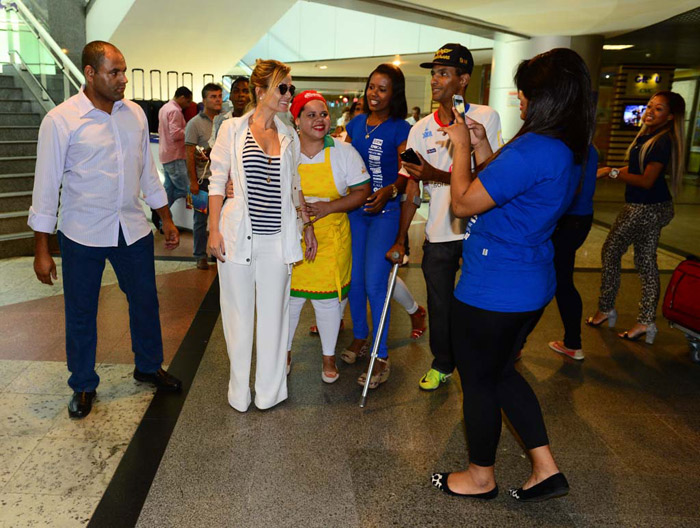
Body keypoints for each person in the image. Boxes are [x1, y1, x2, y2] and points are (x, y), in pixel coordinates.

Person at [431, 48, 595, 502]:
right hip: (528, 280)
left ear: (547, 98)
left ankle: (480, 477)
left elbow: (463, 203)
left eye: (525, 93)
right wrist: (483, 146)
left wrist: (461, 146)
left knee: (479, 380)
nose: (518, 99)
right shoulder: (566, 147)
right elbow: (502, 187)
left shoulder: (537, 147)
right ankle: (545, 468)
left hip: (495, 287)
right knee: (501, 371)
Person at [28, 41, 183, 419]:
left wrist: (164, 217)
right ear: (90, 72)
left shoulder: (134, 115)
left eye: (124, 71)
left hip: (131, 228)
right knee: (81, 311)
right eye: (114, 72)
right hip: (82, 233)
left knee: (145, 301)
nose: (123, 80)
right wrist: (42, 249)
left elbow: (147, 169)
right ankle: (82, 384)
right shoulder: (61, 121)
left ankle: (148, 366)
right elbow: (46, 187)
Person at [387, 43, 502, 391]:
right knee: (440, 304)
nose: (435, 80)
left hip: (480, 230)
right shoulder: (419, 128)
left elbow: (489, 175)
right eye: (433, 72)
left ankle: (492, 357)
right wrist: (401, 236)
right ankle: (442, 363)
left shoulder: (485, 117)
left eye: (443, 73)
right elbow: (411, 186)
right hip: (439, 231)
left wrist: (433, 174)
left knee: (483, 299)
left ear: (463, 79)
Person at [208, 59, 317, 412]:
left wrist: (307, 225)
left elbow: (294, 185)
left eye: (291, 89)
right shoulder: (232, 129)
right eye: (282, 88)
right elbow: (216, 179)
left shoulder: (288, 136)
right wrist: (212, 229)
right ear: (261, 91)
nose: (289, 95)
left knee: (275, 319)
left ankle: (270, 393)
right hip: (238, 235)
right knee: (238, 318)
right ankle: (239, 393)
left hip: (277, 240)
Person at [344, 63, 422, 388]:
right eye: (371, 87)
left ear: (394, 94)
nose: (374, 94)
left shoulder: (401, 129)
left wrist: (391, 189)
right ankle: (361, 337)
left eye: (382, 89)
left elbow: (414, 167)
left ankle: (381, 354)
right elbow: (341, 161)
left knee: (376, 284)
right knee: (356, 281)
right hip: (355, 213)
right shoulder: (355, 124)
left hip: (386, 213)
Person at [587, 91, 685, 343]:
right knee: (645, 261)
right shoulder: (649, 135)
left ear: (671, 116)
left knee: (611, 251)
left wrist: (612, 174)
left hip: (645, 207)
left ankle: (607, 309)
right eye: (649, 106)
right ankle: (645, 322)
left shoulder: (663, 141)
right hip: (651, 205)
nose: (650, 111)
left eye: (659, 109)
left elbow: (646, 180)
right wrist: (611, 170)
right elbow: (638, 167)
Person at [286, 90, 371, 383]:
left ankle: (328, 357)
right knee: (289, 302)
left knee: (328, 304)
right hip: (293, 237)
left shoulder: (342, 152)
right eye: (311, 115)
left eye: (323, 114)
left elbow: (362, 192)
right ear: (296, 120)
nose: (320, 120)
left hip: (332, 238)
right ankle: (283, 354)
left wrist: (328, 207)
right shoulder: (287, 151)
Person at [547, 146, 598, 360]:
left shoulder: (567, 146)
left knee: (553, 280)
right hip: (578, 219)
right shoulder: (586, 146)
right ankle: (572, 343)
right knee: (561, 280)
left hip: (567, 219)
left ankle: (516, 347)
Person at [185, 83, 222, 270]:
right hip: (202, 181)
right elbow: (189, 153)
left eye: (219, 96)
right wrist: (192, 181)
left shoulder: (226, 120)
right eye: (213, 96)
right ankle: (200, 255)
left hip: (221, 180)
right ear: (204, 100)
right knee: (200, 220)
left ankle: (218, 254)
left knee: (223, 219)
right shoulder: (194, 124)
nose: (217, 99)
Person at [158, 86, 192, 208]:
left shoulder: (164, 108)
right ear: (182, 98)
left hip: (166, 155)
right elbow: (176, 134)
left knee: (169, 191)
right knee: (187, 188)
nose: (188, 105)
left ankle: (163, 222)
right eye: (188, 101)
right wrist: (189, 129)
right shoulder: (175, 111)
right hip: (175, 156)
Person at [209, 76, 251, 148]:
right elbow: (214, 147)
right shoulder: (219, 120)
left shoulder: (258, 120)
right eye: (236, 91)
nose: (241, 95)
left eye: (245, 91)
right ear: (230, 96)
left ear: (252, 97)